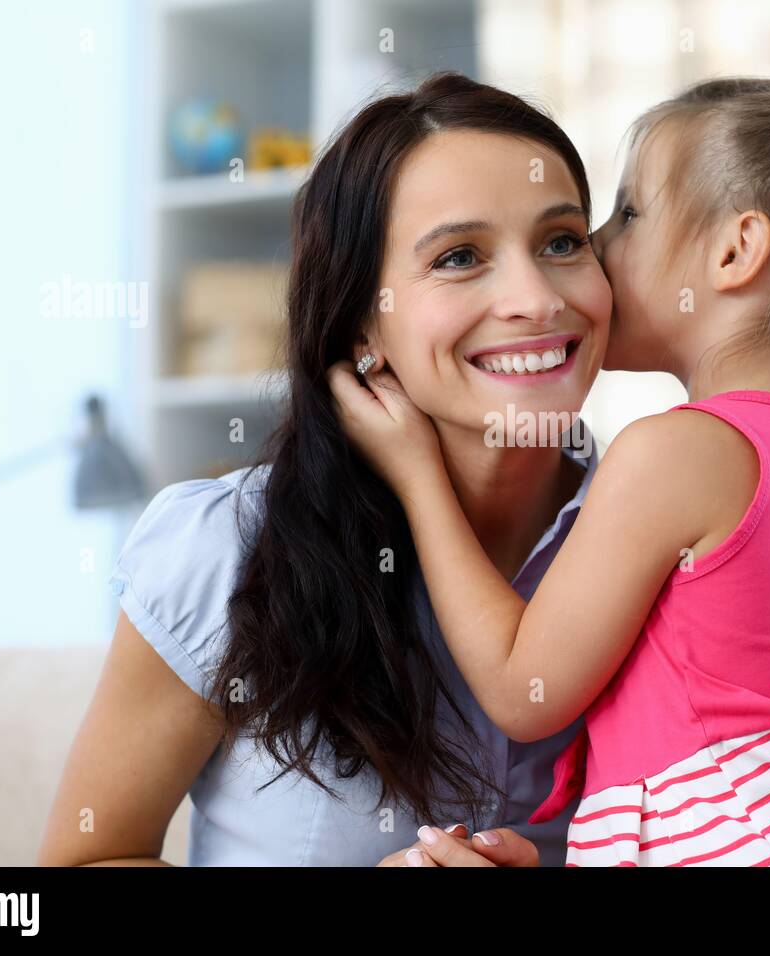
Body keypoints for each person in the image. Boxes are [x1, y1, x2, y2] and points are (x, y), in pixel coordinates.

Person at [330, 75, 770, 865]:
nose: (595, 247)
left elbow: (520, 689)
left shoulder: (674, 453)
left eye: (629, 214)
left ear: (735, 251)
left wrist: (416, 474)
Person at [37, 72, 612, 866]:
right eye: (459, 257)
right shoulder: (225, 551)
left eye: (561, 242)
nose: (536, 298)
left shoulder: (674, 550)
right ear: (359, 324)